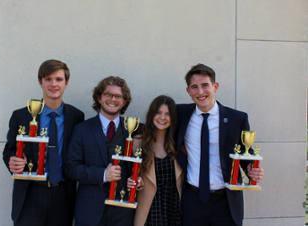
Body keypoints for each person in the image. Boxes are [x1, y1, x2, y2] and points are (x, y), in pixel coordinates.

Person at [176, 63, 264, 226]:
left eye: (205, 85)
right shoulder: (180, 114)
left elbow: (245, 152)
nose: (200, 92)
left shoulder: (237, 118)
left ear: (215, 87)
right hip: (192, 200)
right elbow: (156, 124)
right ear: (188, 91)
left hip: (226, 201)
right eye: (194, 87)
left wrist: (252, 168)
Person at [3, 59, 85, 226]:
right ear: (40, 82)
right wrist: (12, 160)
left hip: (63, 195)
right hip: (30, 194)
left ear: (66, 83)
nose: (53, 84)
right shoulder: (21, 116)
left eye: (59, 79)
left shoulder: (76, 117)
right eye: (48, 79)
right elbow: (9, 150)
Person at [65, 76, 143, 226]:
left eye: (118, 96)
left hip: (123, 212)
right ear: (99, 98)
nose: (112, 99)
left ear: (124, 101)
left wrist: (140, 180)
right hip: (89, 212)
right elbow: (71, 168)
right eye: (108, 94)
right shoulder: (81, 129)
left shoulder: (136, 129)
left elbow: (145, 163)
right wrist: (102, 175)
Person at [129, 95, 183, 226]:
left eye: (167, 114)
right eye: (158, 113)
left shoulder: (180, 143)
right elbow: (131, 173)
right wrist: (137, 181)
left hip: (175, 208)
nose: (162, 118)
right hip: (150, 209)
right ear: (151, 114)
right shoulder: (138, 142)